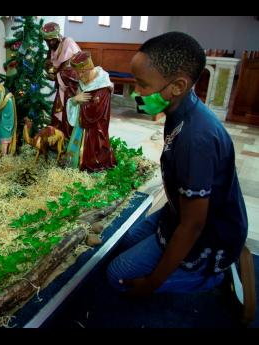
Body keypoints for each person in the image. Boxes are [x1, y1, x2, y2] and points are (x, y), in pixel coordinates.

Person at [106, 32, 248, 298]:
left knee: (117, 275)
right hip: (178, 213)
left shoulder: (196, 140)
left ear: (178, 85)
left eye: (142, 85)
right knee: (123, 241)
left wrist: (151, 284)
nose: (136, 93)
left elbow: (193, 225)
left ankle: (210, 276)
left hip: (209, 231)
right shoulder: (179, 109)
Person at [63, 51, 116, 172]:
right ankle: (76, 163)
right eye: (78, 73)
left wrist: (79, 103)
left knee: (92, 152)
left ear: (89, 69)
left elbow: (96, 112)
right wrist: (75, 100)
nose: (79, 76)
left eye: (81, 73)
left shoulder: (102, 86)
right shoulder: (84, 81)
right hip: (81, 126)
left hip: (95, 129)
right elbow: (78, 96)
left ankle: (91, 165)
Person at [41, 22, 80, 139]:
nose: (49, 43)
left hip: (72, 90)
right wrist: (48, 68)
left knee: (67, 115)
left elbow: (73, 73)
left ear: (58, 36)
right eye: (47, 41)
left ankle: (68, 140)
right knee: (57, 114)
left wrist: (55, 76)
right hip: (62, 88)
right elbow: (50, 64)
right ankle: (58, 138)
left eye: (52, 40)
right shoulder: (52, 47)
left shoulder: (68, 44)